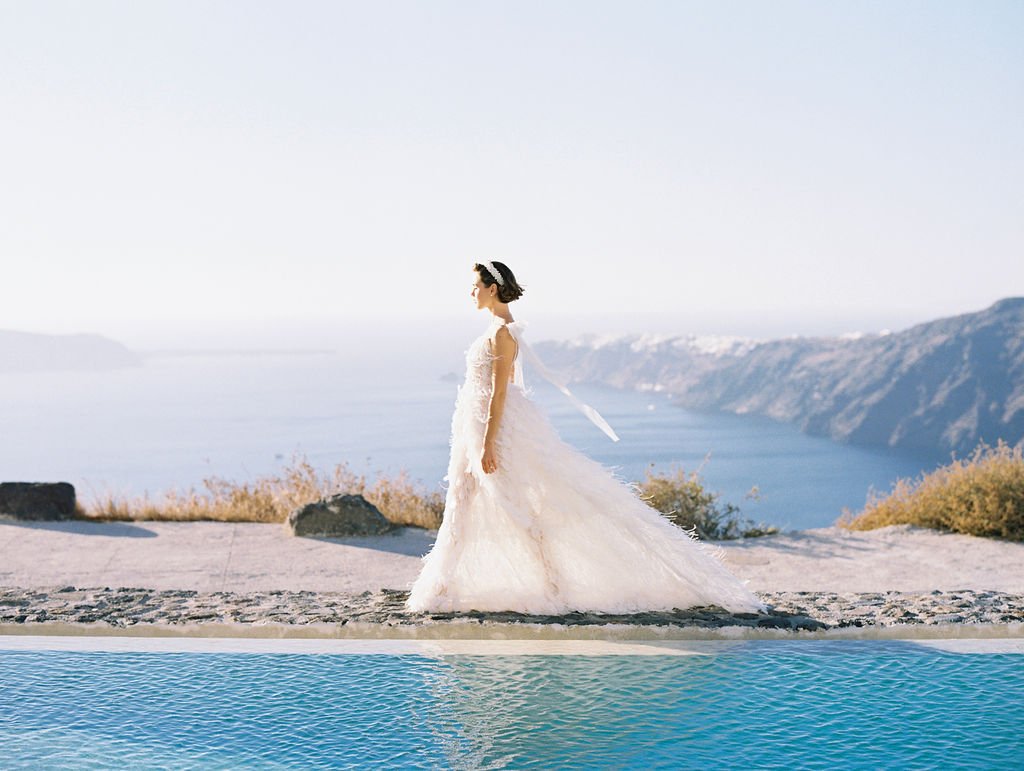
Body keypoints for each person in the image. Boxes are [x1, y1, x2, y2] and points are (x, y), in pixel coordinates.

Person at [404, 261, 766, 616]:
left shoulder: (502, 332)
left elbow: (501, 392)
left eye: (475, 286)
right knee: (464, 502)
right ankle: (445, 586)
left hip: (489, 428)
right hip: (476, 425)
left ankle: (548, 587)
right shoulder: (501, 328)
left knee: (511, 508)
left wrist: (488, 442)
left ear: (492, 288)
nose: (471, 293)